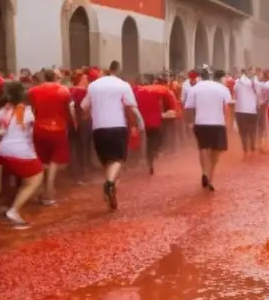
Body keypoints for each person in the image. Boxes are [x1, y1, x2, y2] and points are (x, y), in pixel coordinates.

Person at [81, 61, 141, 210]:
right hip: (117, 126)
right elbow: (131, 106)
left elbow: (84, 107)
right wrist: (139, 123)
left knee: (107, 160)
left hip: (98, 128)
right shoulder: (122, 85)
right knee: (118, 159)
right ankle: (110, 184)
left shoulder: (93, 86)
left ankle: (111, 192)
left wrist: (89, 116)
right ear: (118, 70)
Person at [0, 81, 44, 227]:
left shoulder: (1, 111)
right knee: (35, 178)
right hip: (20, 150)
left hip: (3, 151)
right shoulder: (26, 111)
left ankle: (7, 206)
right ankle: (14, 210)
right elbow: (32, 132)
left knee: (14, 179)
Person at [28, 68, 75, 204]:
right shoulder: (63, 90)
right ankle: (49, 191)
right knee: (57, 161)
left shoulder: (33, 91)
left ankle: (39, 190)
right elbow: (67, 110)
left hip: (39, 128)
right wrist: (71, 124)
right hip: (58, 128)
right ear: (55, 77)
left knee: (43, 161)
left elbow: (31, 109)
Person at [186, 68, 233, 191]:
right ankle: (210, 176)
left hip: (200, 122)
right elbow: (229, 103)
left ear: (200, 77)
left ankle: (204, 172)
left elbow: (188, 107)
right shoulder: (222, 88)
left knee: (203, 148)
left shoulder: (194, 88)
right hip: (218, 122)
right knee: (216, 151)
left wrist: (190, 122)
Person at [136, 74, 170, 175]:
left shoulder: (139, 91)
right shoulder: (158, 90)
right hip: (155, 121)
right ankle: (153, 156)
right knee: (157, 139)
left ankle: (149, 160)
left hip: (143, 121)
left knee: (147, 141)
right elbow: (165, 101)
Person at [233, 68, 259, 156]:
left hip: (240, 110)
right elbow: (259, 93)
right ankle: (252, 146)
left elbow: (235, 92)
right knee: (252, 131)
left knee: (243, 132)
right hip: (251, 110)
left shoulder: (238, 82)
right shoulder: (256, 82)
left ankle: (245, 148)